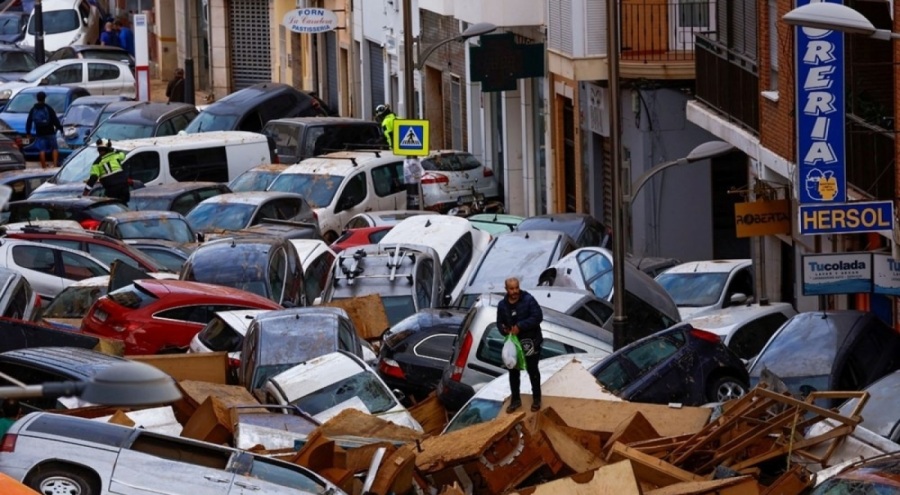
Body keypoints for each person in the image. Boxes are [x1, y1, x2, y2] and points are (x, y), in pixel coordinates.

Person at [497, 276, 544, 413]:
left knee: (533, 371)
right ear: (506, 289)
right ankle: (515, 400)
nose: (515, 291)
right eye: (511, 289)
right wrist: (504, 330)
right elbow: (499, 322)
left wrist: (520, 326)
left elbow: (538, 316)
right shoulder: (502, 305)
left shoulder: (528, 300)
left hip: (530, 342)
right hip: (514, 344)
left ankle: (536, 398)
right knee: (513, 371)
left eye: (516, 287)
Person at [25, 91, 64, 169]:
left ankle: (43, 166)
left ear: (37, 98)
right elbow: (55, 120)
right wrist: (60, 128)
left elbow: (29, 121)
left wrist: (28, 132)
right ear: (44, 98)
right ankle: (55, 164)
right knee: (55, 148)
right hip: (50, 132)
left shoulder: (33, 109)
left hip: (40, 132)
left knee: (42, 150)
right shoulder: (48, 108)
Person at [85, 139, 130, 203]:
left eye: (99, 149)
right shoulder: (115, 155)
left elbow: (93, 178)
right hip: (123, 186)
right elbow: (123, 155)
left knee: (113, 207)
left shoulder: (97, 163)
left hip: (111, 189)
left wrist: (85, 192)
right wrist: (114, 150)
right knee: (123, 205)